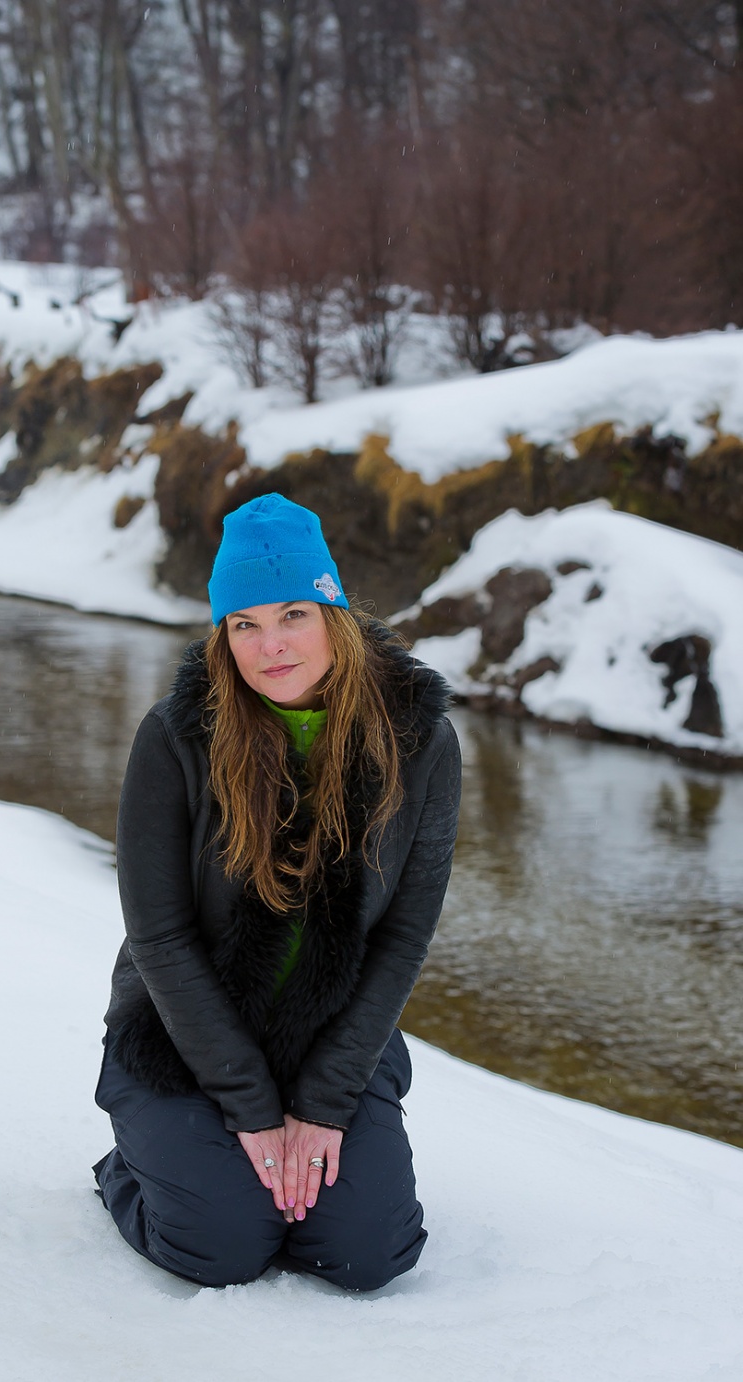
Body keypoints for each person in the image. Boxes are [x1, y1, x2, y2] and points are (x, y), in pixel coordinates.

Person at [93, 493, 461, 1291]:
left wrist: (323, 1104)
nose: (271, 646)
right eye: (244, 624)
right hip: (184, 1039)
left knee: (370, 1254)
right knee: (220, 1248)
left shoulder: (418, 736)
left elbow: (404, 933)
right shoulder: (176, 736)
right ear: (221, 636)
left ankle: (246, 1175)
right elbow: (160, 939)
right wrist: (253, 1110)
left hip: (330, 1038)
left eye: (292, 613)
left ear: (335, 612)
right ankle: (126, 1165)